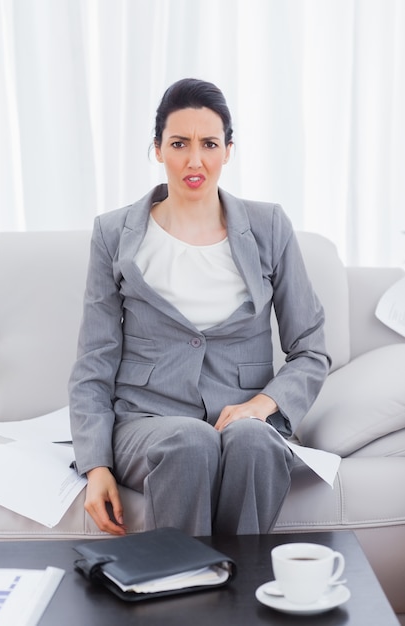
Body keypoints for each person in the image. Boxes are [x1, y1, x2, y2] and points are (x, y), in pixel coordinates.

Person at [69, 78, 330, 537]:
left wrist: (264, 404)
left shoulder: (269, 227)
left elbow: (310, 349)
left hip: (243, 416)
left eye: (209, 143)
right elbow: (94, 362)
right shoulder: (114, 234)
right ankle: (184, 588)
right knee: (190, 441)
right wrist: (96, 466)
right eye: (179, 143)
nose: (195, 160)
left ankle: (237, 594)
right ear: (157, 149)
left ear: (229, 149)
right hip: (145, 422)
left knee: (253, 442)